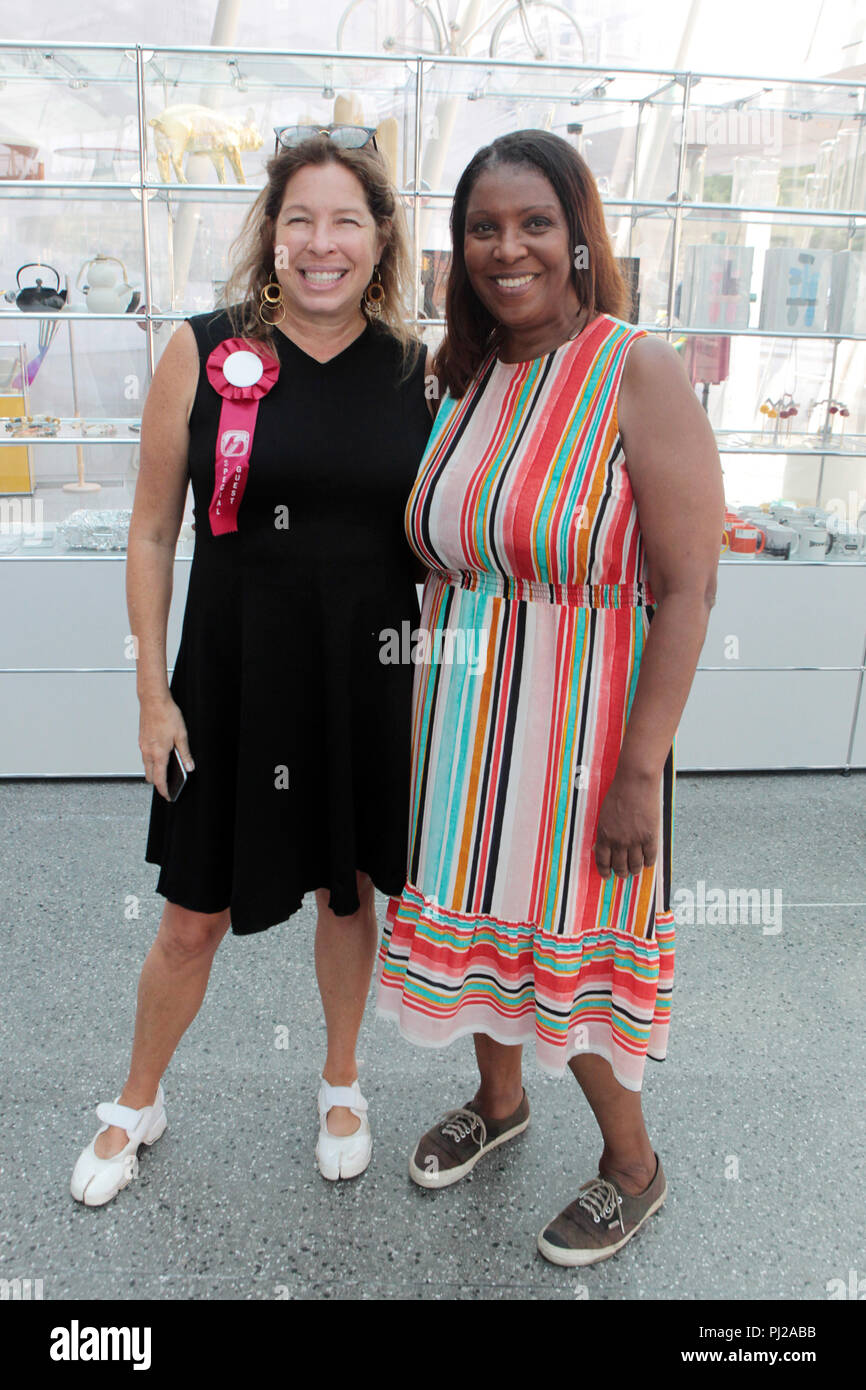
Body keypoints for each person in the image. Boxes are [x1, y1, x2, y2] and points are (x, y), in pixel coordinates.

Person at [376, 130, 724, 1266]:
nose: (506, 247)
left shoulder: (635, 369)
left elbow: (686, 585)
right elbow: (443, 550)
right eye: (483, 227)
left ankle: (633, 1164)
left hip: (584, 730)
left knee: (569, 955)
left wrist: (637, 771)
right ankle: (500, 1101)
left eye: (533, 223)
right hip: (465, 722)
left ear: (580, 236)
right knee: (483, 934)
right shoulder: (460, 374)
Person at [71, 130, 434, 1205]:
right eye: (299, 221)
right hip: (230, 675)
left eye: (345, 221)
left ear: (380, 239)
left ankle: (341, 1080)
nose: (321, 244)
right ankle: (137, 1097)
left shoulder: (418, 370)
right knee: (192, 911)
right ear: (270, 235)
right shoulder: (203, 350)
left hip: (362, 678)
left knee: (345, 888)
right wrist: (151, 692)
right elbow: (150, 533)